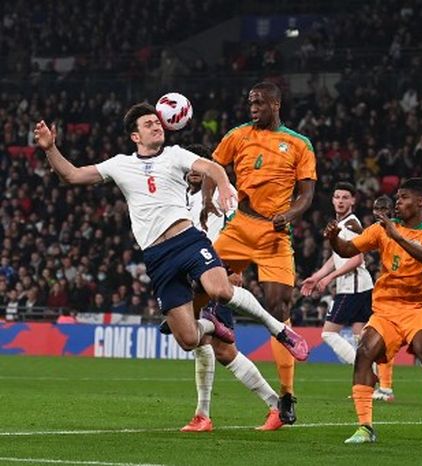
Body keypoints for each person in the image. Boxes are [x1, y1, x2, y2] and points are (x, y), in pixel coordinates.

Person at [33, 104, 307, 393]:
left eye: (157, 122)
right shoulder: (119, 165)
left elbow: (211, 166)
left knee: (220, 291)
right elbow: (72, 175)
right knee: (188, 340)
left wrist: (224, 185)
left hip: (188, 240)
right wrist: (50, 148)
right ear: (135, 137)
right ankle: (212, 326)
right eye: (149, 124)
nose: (156, 126)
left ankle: (279, 329)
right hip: (157, 256)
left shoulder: (176, 155)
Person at [203, 81, 316, 424]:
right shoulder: (238, 135)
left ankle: (286, 396)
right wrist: (208, 200)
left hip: (275, 235)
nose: (253, 108)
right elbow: (213, 167)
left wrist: (291, 215)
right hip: (239, 227)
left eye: (260, 103)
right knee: (201, 277)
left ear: (276, 104)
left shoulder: (299, 143)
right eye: (250, 102)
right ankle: (199, 321)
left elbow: (306, 193)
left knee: (278, 306)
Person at [325, 178, 422, 447]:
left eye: (403, 198)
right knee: (364, 352)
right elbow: (347, 249)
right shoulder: (382, 229)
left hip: (419, 308)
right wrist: (334, 239)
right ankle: (365, 427)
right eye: (397, 198)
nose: (397, 203)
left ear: (420, 202)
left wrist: (398, 237)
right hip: (386, 308)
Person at [169, 143, 288, 432]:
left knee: (209, 344)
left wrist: (233, 268)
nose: (195, 173)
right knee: (217, 349)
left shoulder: (227, 195)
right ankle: (273, 406)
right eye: (192, 167)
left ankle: (205, 415)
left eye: (201, 167)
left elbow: (241, 230)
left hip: (213, 273)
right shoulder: (184, 197)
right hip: (190, 277)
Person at [300, 182, 373, 364]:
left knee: (328, 333)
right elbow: (336, 257)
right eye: (337, 197)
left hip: (352, 288)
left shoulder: (350, 225)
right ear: (332, 200)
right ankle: (374, 383)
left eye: (345, 197)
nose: (340, 201)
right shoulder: (341, 223)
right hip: (362, 286)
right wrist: (317, 276)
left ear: (353, 201)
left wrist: (329, 278)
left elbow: (357, 259)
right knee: (360, 338)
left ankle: (362, 370)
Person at [369, 195, 396, 403]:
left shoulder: (396, 231)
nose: (379, 212)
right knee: (381, 342)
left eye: (384, 208)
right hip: (388, 295)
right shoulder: (377, 231)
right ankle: (384, 388)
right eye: (376, 208)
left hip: (410, 298)